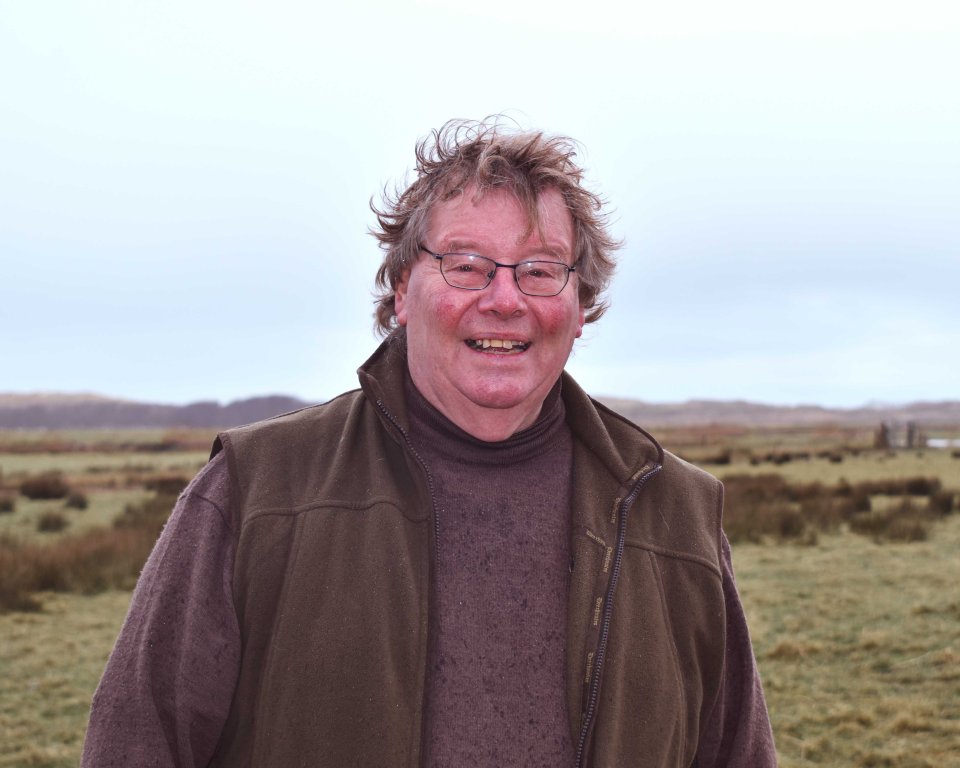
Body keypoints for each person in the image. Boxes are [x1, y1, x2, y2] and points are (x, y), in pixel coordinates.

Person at [82, 118, 776, 767]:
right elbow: (136, 742)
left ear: (579, 308)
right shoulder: (258, 489)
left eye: (540, 269)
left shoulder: (672, 510)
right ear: (401, 293)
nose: (505, 300)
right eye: (467, 264)